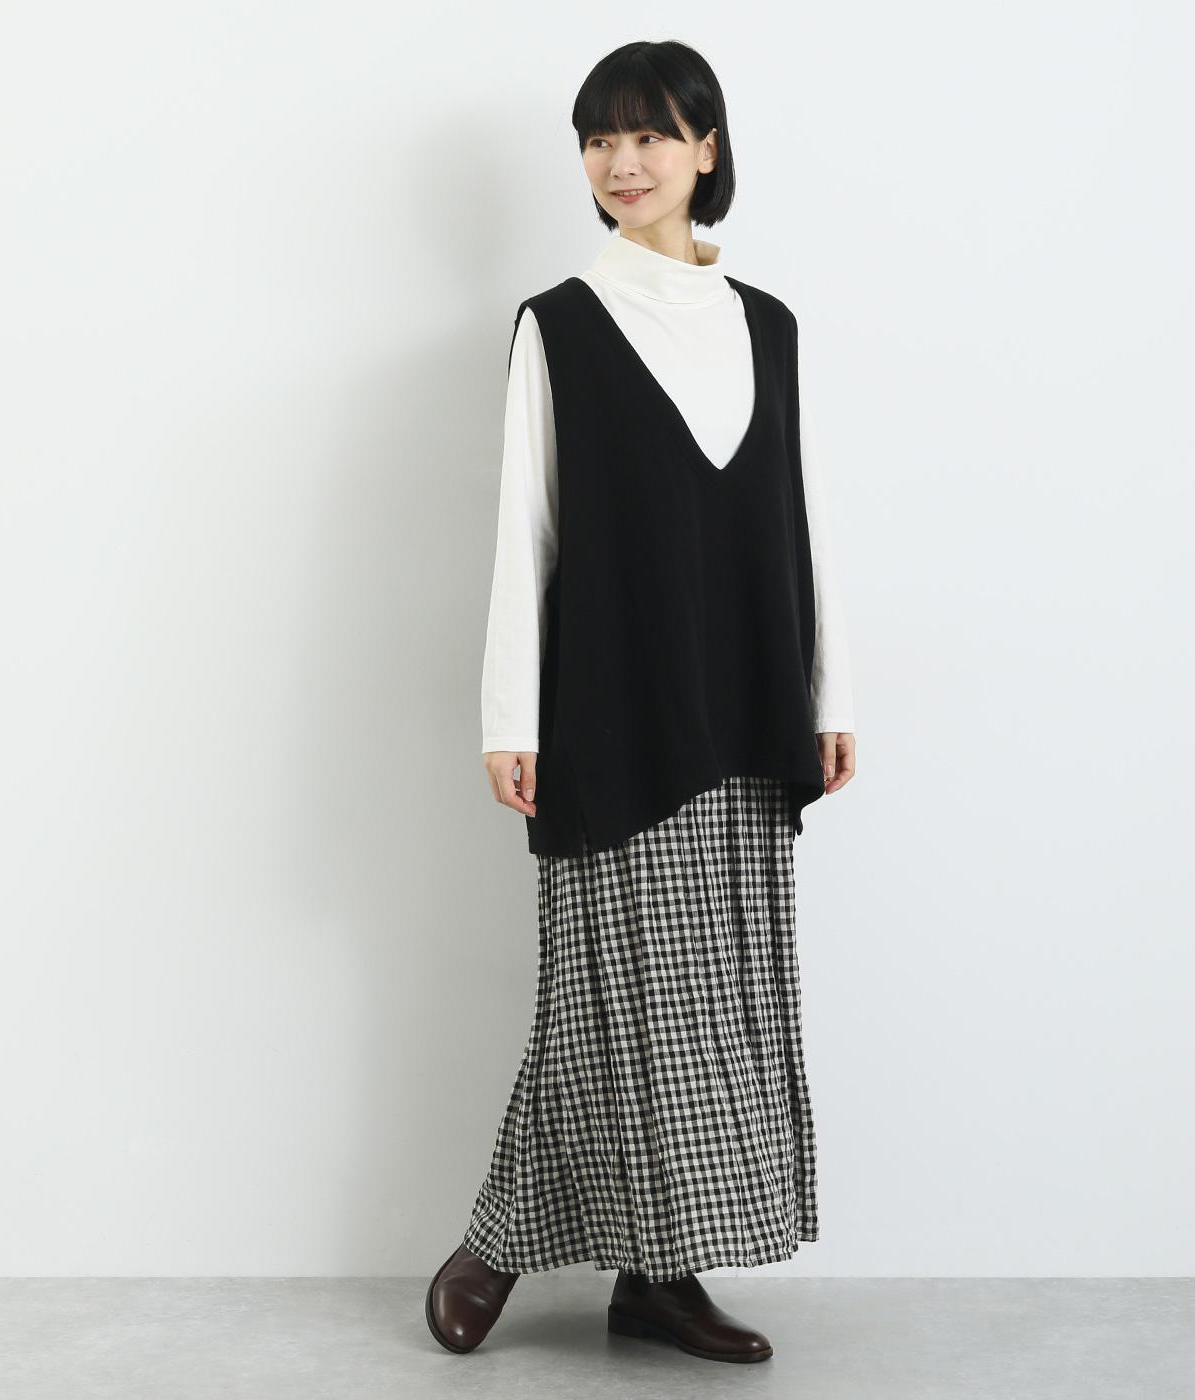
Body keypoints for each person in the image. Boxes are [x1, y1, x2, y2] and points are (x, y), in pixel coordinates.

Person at [425, 38, 857, 1365]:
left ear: (705, 150)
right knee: (602, 1004)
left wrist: (830, 690)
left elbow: (799, 521)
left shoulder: (769, 326)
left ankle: (655, 1280)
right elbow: (528, 531)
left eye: (651, 134)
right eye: (600, 139)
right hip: (613, 708)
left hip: (749, 702)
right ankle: (497, 1241)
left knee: (713, 1009)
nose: (623, 162)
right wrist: (510, 719)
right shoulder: (558, 326)